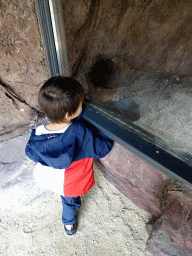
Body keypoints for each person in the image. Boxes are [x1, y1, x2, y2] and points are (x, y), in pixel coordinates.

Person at [25, 76, 113, 236]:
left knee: (66, 198)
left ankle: (69, 225)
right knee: (69, 202)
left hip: (49, 176)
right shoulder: (80, 133)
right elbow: (102, 149)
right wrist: (108, 131)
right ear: (68, 114)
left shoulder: (38, 132)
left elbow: (30, 152)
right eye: (80, 105)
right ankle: (68, 223)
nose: (82, 105)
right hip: (70, 183)